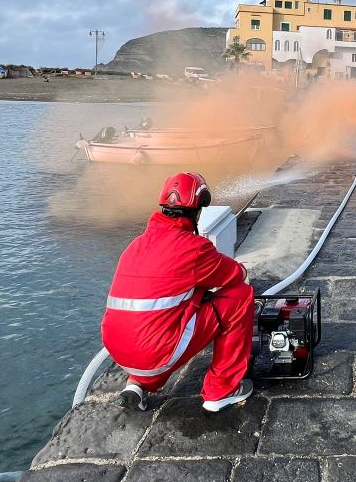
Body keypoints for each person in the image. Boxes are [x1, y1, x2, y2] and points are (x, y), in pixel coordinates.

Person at [101, 172, 254, 412]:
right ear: (197, 211)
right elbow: (234, 275)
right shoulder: (194, 248)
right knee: (241, 296)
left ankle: (137, 384)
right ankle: (222, 391)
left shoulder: (136, 244)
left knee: (157, 320)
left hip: (119, 350)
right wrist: (242, 270)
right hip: (155, 352)